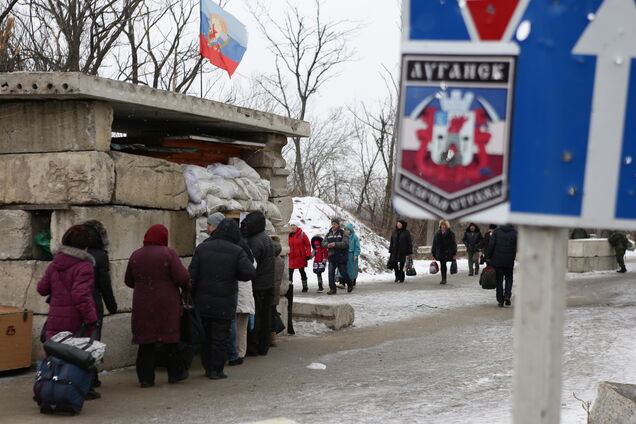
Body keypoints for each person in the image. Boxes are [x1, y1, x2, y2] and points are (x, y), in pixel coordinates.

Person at [37, 224, 100, 399]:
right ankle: (76, 389)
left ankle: (49, 388)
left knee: (55, 356)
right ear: (85, 246)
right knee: (77, 357)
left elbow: (42, 288)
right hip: (76, 321)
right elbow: (81, 295)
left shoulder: (55, 263)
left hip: (55, 319)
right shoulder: (84, 266)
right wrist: (91, 318)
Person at [125, 224, 191, 387]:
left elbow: (128, 280)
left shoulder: (136, 255)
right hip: (166, 305)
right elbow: (182, 277)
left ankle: (146, 379)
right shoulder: (169, 254)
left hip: (142, 305)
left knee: (145, 343)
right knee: (170, 340)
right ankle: (176, 374)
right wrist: (188, 288)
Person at [189, 218, 255, 379]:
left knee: (206, 337)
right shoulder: (236, 251)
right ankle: (216, 370)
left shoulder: (202, 248)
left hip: (203, 302)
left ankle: (207, 367)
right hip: (224, 301)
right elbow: (249, 273)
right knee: (220, 337)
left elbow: (191, 275)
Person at [82, 219, 118, 392]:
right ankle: (90, 379)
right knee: (92, 342)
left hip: (74, 305)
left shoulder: (71, 254)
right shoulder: (100, 256)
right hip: (93, 304)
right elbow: (105, 284)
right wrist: (112, 306)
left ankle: (84, 377)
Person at [241, 211, 276, 356]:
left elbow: (251, 265)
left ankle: (254, 347)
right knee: (266, 316)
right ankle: (263, 345)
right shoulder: (266, 238)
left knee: (256, 317)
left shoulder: (255, 241)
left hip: (258, 285)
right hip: (268, 284)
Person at [486, 224, 518, 307]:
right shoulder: (515, 233)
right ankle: (507, 295)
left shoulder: (497, 231)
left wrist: (488, 256)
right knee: (509, 278)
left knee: (499, 280)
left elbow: (491, 245)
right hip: (509, 260)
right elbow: (518, 246)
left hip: (497, 260)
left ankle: (500, 300)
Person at [322, 218, 351, 294]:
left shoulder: (343, 233)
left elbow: (346, 244)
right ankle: (333, 289)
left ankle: (350, 283)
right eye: (332, 223)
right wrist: (328, 245)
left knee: (343, 273)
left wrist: (335, 244)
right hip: (332, 256)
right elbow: (323, 243)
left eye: (335, 224)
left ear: (338, 225)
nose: (333, 225)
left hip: (341, 257)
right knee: (330, 273)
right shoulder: (329, 234)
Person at [288, 220, 311, 292]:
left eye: (294, 225)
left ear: (297, 226)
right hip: (291, 257)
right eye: (291, 225)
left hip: (300, 257)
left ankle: (305, 286)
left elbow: (308, 245)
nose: (292, 227)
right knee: (290, 273)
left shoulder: (302, 234)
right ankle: (289, 287)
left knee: (302, 271)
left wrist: (308, 254)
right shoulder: (288, 235)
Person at [431, 219, 457, 285]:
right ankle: (444, 279)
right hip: (440, 252)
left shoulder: (451, 233)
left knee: (447, 264)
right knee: (443, 265)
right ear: (440, 226)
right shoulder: (437, 234)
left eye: (444, 225)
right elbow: (434, 244)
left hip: (448, 252)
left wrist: (454, 253)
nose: (443, 226)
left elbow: (454, 244)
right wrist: (433, 254)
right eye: (442, 225)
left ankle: (448, 275)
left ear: (447, 226)